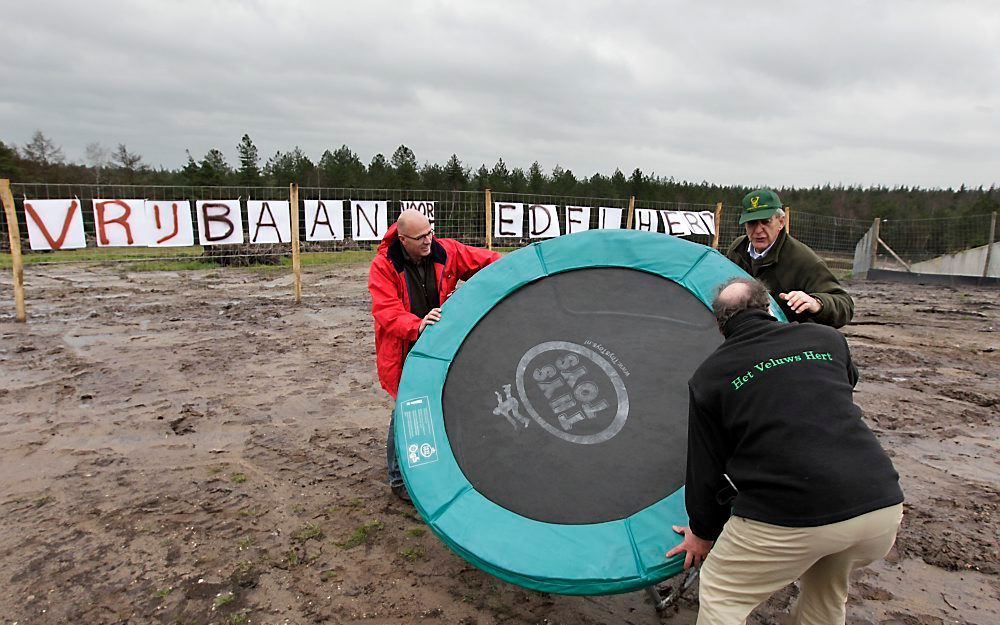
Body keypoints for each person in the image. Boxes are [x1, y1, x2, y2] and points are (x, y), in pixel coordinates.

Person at [666, 277, 903, 625]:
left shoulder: (710, 375)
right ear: (768, 308)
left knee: (723, 590)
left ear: (720, 324)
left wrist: (703, 533)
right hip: (879, 507)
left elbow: (706, 468)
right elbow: (842, 385)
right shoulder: (828, 339)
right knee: (826, 591)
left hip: (791, 511)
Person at [368, 209, 500, 502]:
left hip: (441, 346)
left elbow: (492, 263)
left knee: (443, 403)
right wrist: (417, 324)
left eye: (430, 232)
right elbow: (386, 312)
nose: (428, 240)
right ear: (402, 239)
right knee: (407, 409)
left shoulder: (447, 250)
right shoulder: (384, 266)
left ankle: (439, 465)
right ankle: (399, 478)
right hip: (404, 348)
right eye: (420, 237)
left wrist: (514, 272)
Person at [726, 188, 854, 328]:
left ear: (781, 222)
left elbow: (844, 305)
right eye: (752, 223)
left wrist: (816, 303)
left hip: (786, 337)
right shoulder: (737, 250)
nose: (758, 230)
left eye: (765, 222)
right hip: (743, 331)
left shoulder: (803, 260)